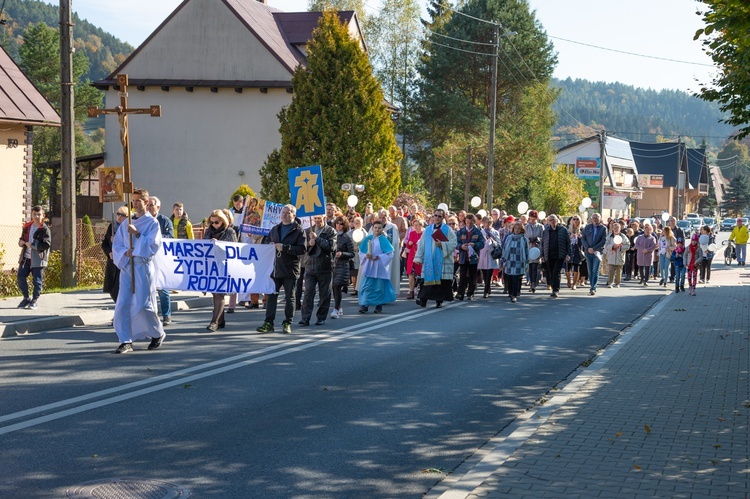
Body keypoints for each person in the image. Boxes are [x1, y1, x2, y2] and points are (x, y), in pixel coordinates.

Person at [112, 189, 166, 353]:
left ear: (146, 202)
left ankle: (157, 333)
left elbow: (153, 246)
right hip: (128, 266)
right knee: (123, 304)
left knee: (144, 305)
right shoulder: (126, 223)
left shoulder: (152, 223)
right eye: (133, 201)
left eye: (138, 201)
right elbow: (118, 245)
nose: (134, 204)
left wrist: (136, 234)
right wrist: (124, 253)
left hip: (142, 266)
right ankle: (125, 340)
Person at [256, 204, 306, 334]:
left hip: (290, 268)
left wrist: (286, 248)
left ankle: (287, 322)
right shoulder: (275, 229)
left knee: (290, 297)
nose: (284, 214)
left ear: (293, 215)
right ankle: (268, 323)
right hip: (275, 268)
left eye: (287, 212)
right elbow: (265, 244)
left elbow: (302, 249)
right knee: (272, 295)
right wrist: (270, 246)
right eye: (283, 212)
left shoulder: (299, 230)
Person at [413, 208, 457, 308]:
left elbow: (453, 243)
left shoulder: (447, 229)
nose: (437, 218)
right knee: (426, 281)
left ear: (443, 217)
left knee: (440, 282)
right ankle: (422, 300)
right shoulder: (428, 230)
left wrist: (441, 244)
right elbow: (422, 244)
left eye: (439, 216)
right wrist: (419, 258)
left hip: (442, 260)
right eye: (435, 215)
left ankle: (439, 300)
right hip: (429, 260)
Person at [203, 210, 237, 331]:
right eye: (211, 222)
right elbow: (203, 245)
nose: (213, 225)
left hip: (224, 266)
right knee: (214, 292)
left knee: (219, 293)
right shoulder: (209, 231)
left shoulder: (230, 232)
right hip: (211, 266)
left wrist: (219, 245)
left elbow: (233, 249)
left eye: (216, 222)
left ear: (223, 221)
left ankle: (214, 322)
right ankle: (221, 320)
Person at [300, 214, 336, 326]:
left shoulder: (330, 231)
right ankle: (305, 318)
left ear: (324, 218)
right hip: (310, 266)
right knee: (308, 293)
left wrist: (318, 239)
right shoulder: (307, 231)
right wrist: (309, 244)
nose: (317, 221)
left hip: (324, 266)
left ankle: (321, 317)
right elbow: (303, 247)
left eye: (319, 219)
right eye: (315, 219)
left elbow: (331, 247)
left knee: (324, 294)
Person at [358, 220, 397, 313]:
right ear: (372, 228)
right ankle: (365, 305)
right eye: (375, 227)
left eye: (379, 228)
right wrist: (365, 256)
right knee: (367, 286)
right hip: (369, 266)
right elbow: (361, 252)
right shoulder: (368, 239)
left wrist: (379, 257)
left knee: (379, 288)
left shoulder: (384, 239)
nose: (377, 229)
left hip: (379, 267)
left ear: (382, 229)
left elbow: (390, 254)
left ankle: (378, 306)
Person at [16, 205, 51, 310]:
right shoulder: (27, 227)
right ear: (31, 215)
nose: (36, 216)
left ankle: (34, 300)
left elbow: (46, 244)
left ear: (43, 216)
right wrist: (21, 242)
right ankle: (26, 298)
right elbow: (22, 239)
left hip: (38, 259)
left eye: (39, 214)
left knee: (37, 281)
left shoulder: (44, 229)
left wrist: (33, 246)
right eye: (34, 214)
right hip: (26, 258)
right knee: (20, 277)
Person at [147, 196, 174, 326]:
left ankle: (166, 315)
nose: (148, 207)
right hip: (146, 258)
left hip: (161, 259)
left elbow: (170, 237)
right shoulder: (143, 220)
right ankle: (150, 316)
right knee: (146, 289)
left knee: (162, 289)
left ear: (158, 207)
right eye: (147, 204)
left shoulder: (165, 221)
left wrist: (154, 238)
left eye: (151, 205)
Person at [102, 206, 129, 303]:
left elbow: (130, 243)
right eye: (118, 214)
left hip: (124, 262)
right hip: (113, 262)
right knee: (112, 289)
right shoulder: (112, 226)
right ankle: (120, 310)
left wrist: (117, 241)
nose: (119, 217)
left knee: (119, 288)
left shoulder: (128, 227)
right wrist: (109, 252)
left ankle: (121, 312)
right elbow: (104, 243)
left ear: (127, 217)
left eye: (122, 215)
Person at [455, 213, 485, 300]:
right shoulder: (460, 231)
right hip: (463, 257)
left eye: (471, 223)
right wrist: (461, 246)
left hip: (473, 258)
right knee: (462, 275)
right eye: (467, 222)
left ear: (474, 222)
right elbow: (456, 243)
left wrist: (474, 245)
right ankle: (460, 292)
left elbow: (482, 243)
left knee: (472, 276)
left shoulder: (477, 232)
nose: (469, 224)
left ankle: (470, 293)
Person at [541, 214, 571, 298]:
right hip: (549, 255)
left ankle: (555, 290)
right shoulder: (546, 231)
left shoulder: (563, 230)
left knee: (556, 272)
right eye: (550, 220)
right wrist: (542, 255)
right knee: (550, 273)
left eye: (554, 220)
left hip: (559, 255)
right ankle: (553, 287)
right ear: (548, 222)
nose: (552, 222)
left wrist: (568, 254)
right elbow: (542, 244)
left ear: (557, 221)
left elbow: (568, 242)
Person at [331, 216, 355, 319]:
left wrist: (342, 254)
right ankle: (339, 307)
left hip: (342, 265)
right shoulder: (331, 235)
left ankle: (336, 309)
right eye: (337, 223)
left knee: (337, 286)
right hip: (332, 265)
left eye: (341, 224)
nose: (339, 225)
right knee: (333, 287)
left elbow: (352, 253)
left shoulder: (346, 237)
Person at [502, 221, 529, 303]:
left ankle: (514, 295)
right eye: (516, 228)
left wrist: (526, 261)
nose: (517, 230)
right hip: (510, 260)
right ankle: (510, 293)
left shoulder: (524, 239)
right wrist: (503, 259)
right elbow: (504, 248)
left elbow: (526, 250)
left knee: (516, 278)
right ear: (513, 229)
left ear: (521, 230)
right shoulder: (509, 238)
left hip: (519, 260)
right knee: (509, 278)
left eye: (519, 229)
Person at [581, 213, 607, 295]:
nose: (595, 219)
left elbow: (603, 240)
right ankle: (591, 285)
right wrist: (588, 247)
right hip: (588, 251)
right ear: (591, 219)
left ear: (600, 218)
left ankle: (593, 287)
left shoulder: (603, 228)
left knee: (595, 270)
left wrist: (594, 248)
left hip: (597, 252)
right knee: (590, 270)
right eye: (594, 217)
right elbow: (583, 238)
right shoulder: (587, 227)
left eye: (597, 217)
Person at [478, 216, 500, 299]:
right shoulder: (480, 232)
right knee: (484, 272)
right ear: (483, 223)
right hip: (483, 253)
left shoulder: (495, 232)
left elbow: (498, 244)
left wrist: (493, 241)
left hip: (491, 254)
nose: (487, 224)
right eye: (486, 222)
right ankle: (488, 287)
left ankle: (486, 290)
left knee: (489, 273)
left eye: (489, 223)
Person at [604, 222, 630, 288]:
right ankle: (610, 283)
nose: (616, 229)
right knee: (611, 270)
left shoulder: (623, 237)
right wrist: (612, 246)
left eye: (617, 228)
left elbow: (627, 245)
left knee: (619, 271)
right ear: (612, 229)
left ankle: (617, 283)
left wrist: (620, 247)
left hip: (620, 256)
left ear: (620, 229)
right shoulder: (609, 236)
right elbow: (606, 245)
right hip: (611, 256)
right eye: (614, 228)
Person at [404, 216, 424, 299]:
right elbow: (408, 246)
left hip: (422, 256)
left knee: (421, 274)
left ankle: (422, 292)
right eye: (414, 225)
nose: (415, 227)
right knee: (411, 274)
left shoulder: (424, 234)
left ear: (421, 225)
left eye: (417, 225)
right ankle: (411, 291)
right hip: (412, 256)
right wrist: (410, 243)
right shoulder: (412, 233)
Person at [524, 211, 543, 293]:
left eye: (534, 219)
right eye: (531, 219)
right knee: (530, 267)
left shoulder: (540, 227)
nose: (532, 221)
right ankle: (531, 282)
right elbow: (524, 237)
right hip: (529, 249)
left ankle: (534, 283)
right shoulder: (526, 227)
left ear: (537, 219)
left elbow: (543, 237)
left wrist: (538, 240)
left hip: (537, 249)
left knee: (535, 267)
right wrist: (529, 240)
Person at [567, 215, 585, 289]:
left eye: (577, 219)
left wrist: (581, 237)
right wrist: (570, 237)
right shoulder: (568, 229)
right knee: (568, 268)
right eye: (574, 219)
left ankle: (574, 284)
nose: (576, 220)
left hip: (578, 250)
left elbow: (585, 240)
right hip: (569, 250)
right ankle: (568, 281)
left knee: (576, 267)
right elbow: (565, 239)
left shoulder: (582, 229)